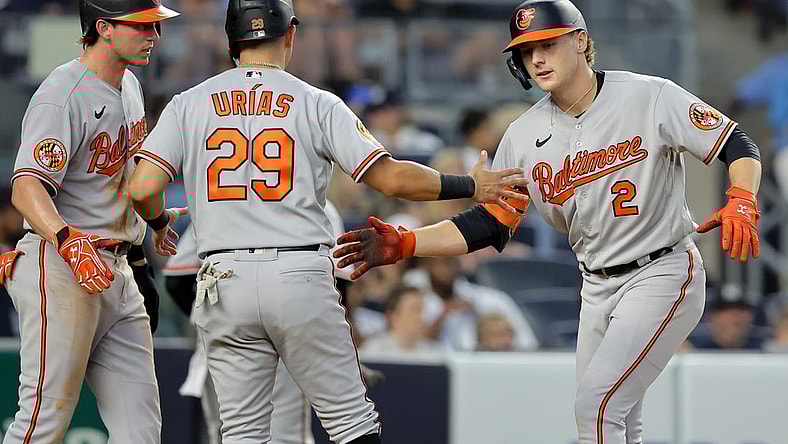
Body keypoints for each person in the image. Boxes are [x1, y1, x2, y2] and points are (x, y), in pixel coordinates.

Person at [333, 1, 763, 443]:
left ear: (580, 41)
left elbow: (736, 142)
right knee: (617, 417)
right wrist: (408, 243)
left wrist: (743, 197)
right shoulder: (522, 135)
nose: (536, 58)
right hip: (595, 285)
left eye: (547, 44)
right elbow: (489, 223)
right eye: (525, 51)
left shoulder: (649, 95)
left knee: (597, 407)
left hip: (662, 270)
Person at [127, 1, 527, 443]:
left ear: (231, 41)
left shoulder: (188, 103)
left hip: (224, 277)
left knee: (241, 433)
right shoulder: (314, 101)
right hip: (297, 273)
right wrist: (468, 185)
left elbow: (142, 188)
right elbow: (390, 177)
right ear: (291, 35)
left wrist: (160, 222)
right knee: (351, 424)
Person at [0, 1, 179, 442]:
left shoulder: (130, 85)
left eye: (155, 25)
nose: (154, 35)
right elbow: (26, 187)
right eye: (141, 25)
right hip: (61, 267)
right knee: (44, 419)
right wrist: (65, 239)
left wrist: (152, 228)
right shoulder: (63, 93)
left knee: (141, 430)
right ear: (103, 27)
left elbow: (128, 177)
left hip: (117, 270)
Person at [360, 286, 444, 357]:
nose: (420, 317)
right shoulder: (373, 351)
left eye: (422, 310)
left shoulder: (434, 353)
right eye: (414, 309)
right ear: (394, 317)